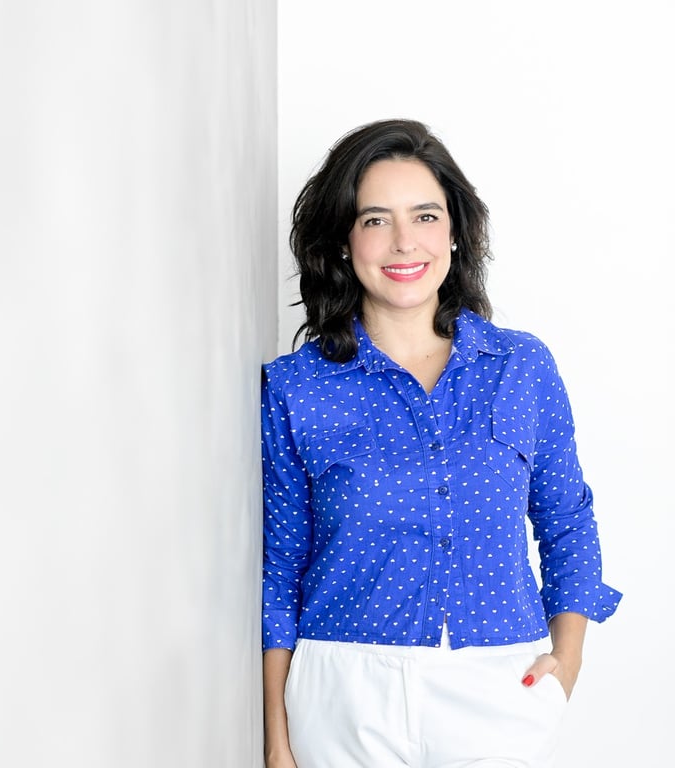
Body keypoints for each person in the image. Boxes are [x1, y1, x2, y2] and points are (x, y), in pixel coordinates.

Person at [261, 118, 622, 768]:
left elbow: (567, 519)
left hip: (499, 683)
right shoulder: (296, 388)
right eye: (375, 220)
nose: (404, 241)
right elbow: (280, 566)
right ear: (343, 241)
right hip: (343, 688)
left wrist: (566, 660)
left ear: (455, 231)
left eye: (425, 216)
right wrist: (277, 738)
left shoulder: (520, 367)